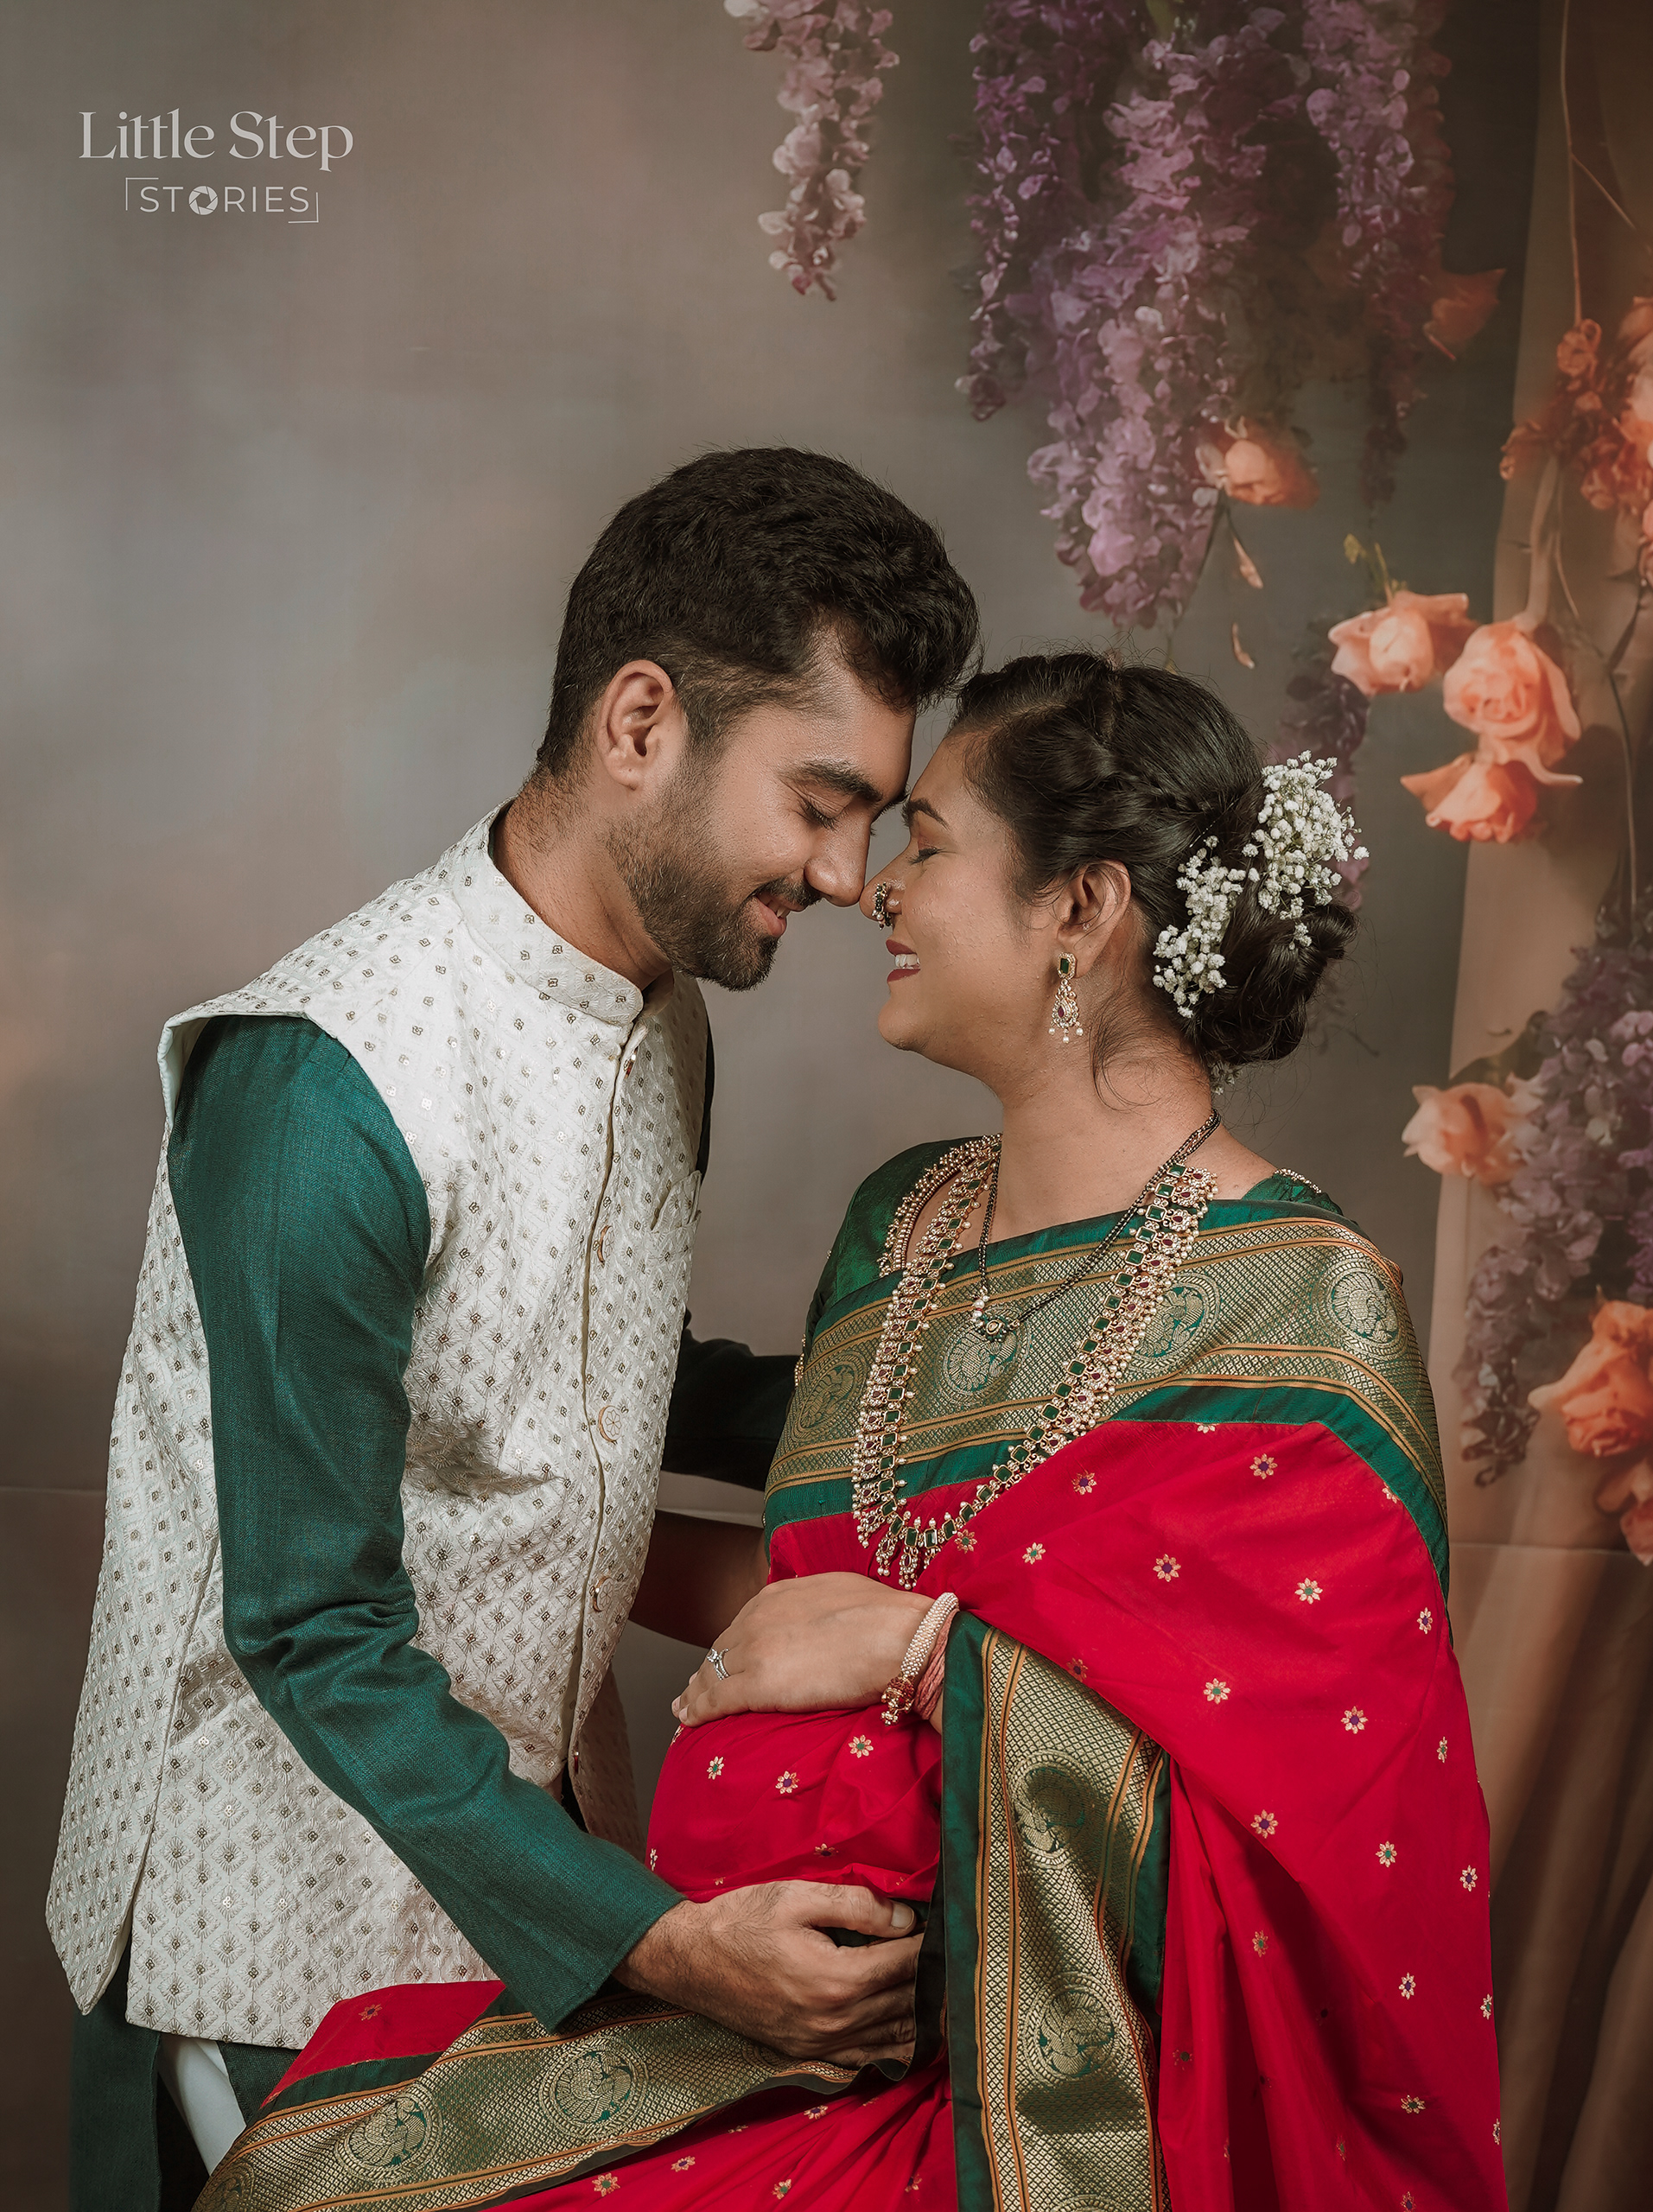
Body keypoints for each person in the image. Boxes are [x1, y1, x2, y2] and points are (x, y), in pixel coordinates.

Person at [185, 654, 1504, 2212]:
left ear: (1082, 909)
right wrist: (428, 1506)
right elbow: (828, 1586)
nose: (875, 886)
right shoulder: (903, 1226)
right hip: (748, 2015)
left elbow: (1320, 1835)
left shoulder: (1298, 1301)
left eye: (928, 843)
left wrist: (925, 1652)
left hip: (1040, 2084)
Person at [48, 446, 981, 2210]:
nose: (850, 872)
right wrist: (666, 1941)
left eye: (874, 817)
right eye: (820, 800)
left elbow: (592, 1368)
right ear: (641, 722)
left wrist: (959, 1415)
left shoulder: (665, 1016)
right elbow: (311, 1625)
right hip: (267, 1933)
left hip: (507, 1891)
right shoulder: (325, 1081)